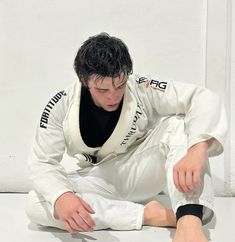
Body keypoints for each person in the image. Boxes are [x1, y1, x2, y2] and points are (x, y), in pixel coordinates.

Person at [26, 33, 227, 242]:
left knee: (177, 125)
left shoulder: (140, 86)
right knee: (36, 203)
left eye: (120, 85)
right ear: (84, 80)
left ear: (126, 74)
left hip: (142, 169)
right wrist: (63, 197)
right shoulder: (61, 105)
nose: (113, 96)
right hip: (99, 178)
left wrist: (197, 150)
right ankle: (150, 214)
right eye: (102, 89)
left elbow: (202, 97)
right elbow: (42, 162)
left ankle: (189, 218)